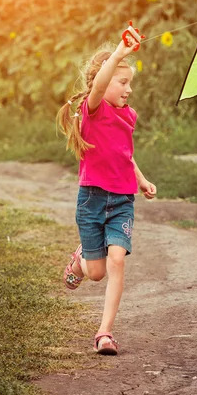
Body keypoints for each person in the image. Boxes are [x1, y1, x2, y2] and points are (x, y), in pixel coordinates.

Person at [56, 28, 157, 355]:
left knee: (117, 260)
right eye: (122, 82)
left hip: (122, 201)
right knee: (96, 273)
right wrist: (118, 54)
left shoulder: (128, 116)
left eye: (130, 83)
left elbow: (123, 153)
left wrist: (140, 179)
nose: (128, 90)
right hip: (92, 200)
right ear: (105, 80)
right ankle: (80, 259)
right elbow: (99, 85)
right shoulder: (93, 109)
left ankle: (105, 332)